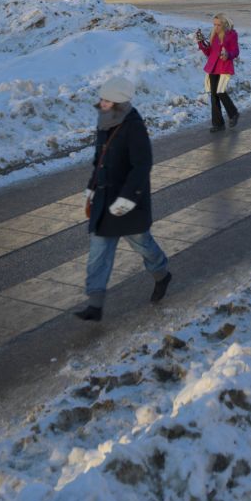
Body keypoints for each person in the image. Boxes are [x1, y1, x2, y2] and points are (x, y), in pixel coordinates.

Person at [76, 76, 172, 322]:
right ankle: (95, 305)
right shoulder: (104, 122)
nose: (101, 103)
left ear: (119, 102)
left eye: (106, 100)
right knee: (98, 254)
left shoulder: (134, 126)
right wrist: (91, 187)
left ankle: (161, 273)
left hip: (127, 203)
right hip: (104, 200)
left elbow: (142, 166)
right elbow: (99, 159)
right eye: (101, 99)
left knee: (143, 245)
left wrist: (128, 199)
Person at [197, 13, 241, 131]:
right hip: (213, 67)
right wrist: (201, 43)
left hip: (224, 67)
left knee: (220, 91)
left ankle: (233, 113)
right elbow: (209, 53)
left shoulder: (231, 35)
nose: (216, 27)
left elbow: (236, 51)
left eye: (218, 24)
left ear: (224, 24)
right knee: (214, 95)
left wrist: (228, 55)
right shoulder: (214, 34)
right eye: (214, 24)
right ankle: (218, 124)